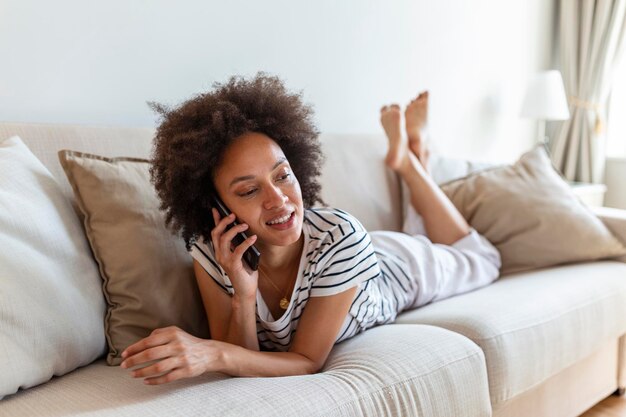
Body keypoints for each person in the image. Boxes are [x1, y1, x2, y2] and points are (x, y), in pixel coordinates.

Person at [119, 73, 501, 385]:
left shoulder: (343, 236)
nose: (278, 199)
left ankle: (409, 163)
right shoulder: (211, 252)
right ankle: (415, 153)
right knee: (432, 235)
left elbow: (305, 361)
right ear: (216, 207)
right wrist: (243, 293)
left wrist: (211, 353)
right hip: (348, 258)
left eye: (283, 175)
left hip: (393, 269)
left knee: (482, 258)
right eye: (250, 190)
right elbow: (242, 362)